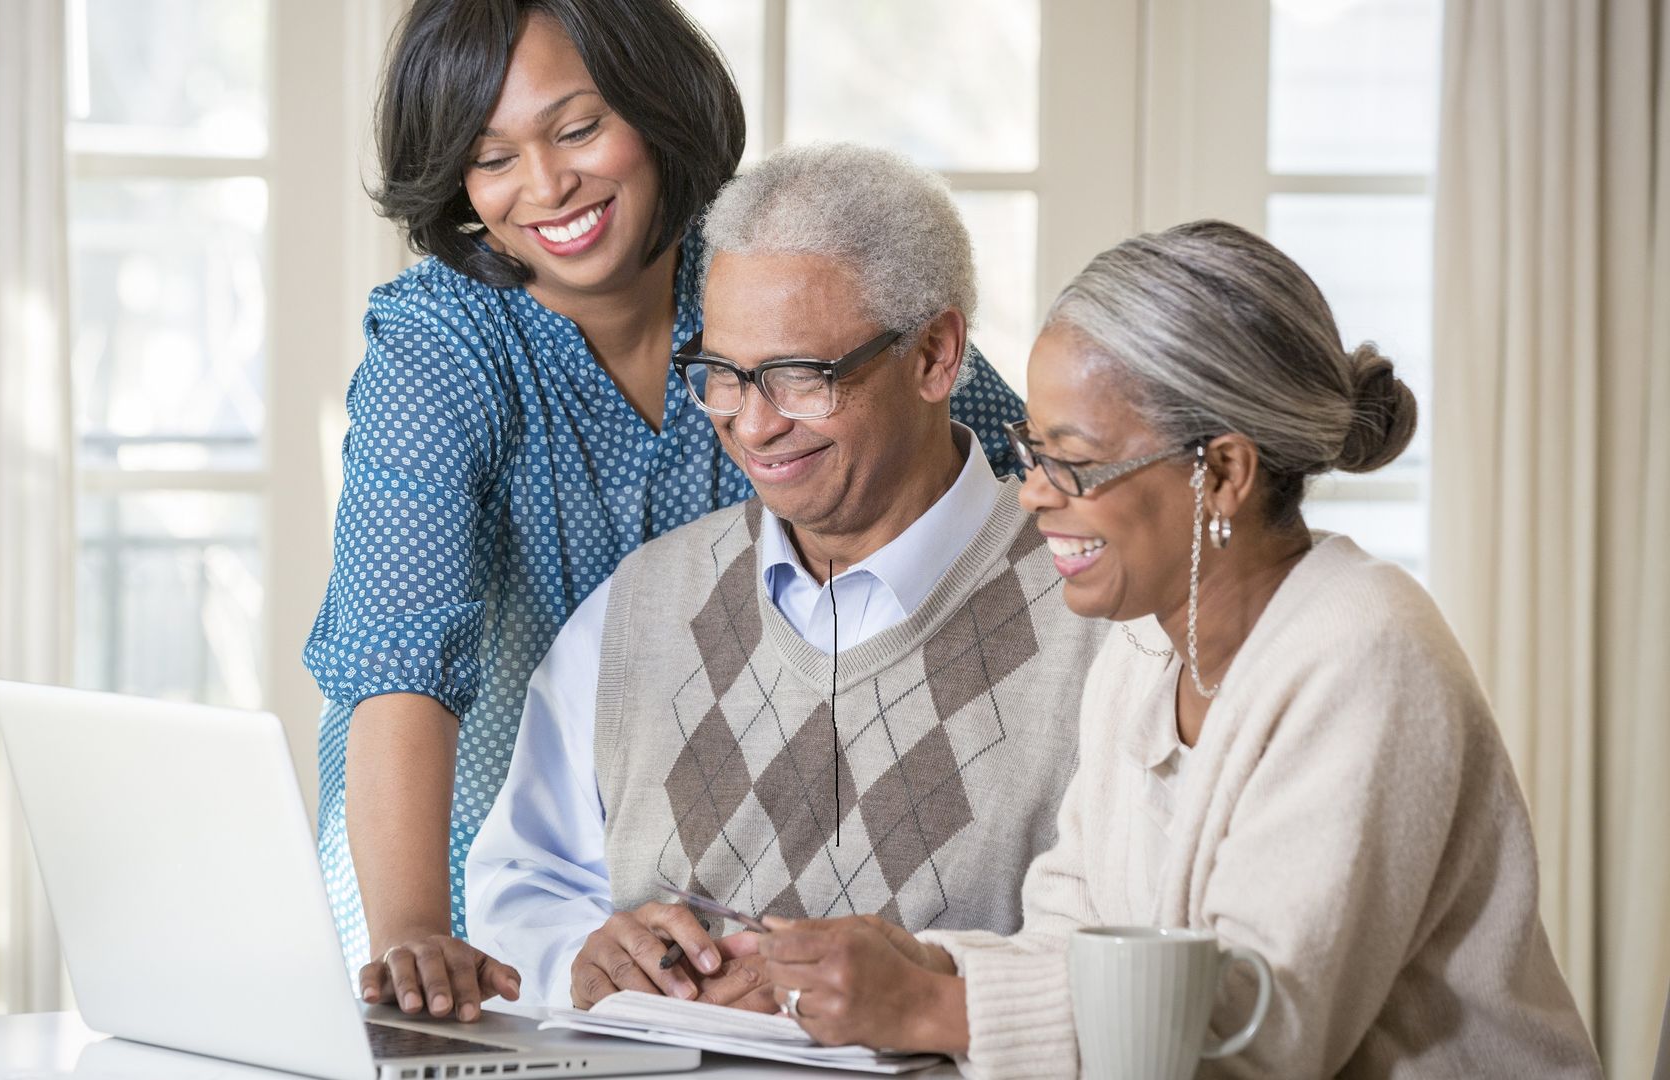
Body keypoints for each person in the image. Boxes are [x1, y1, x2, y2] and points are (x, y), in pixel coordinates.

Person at [301, 0, 1029, 1024]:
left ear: (653, 104)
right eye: (490, 156)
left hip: (704, 862)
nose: (546, 187)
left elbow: (994, 443)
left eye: (577, 128)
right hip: (476, 868)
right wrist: (419, 929)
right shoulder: (445, 344)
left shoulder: (753, 278)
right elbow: (398, 655)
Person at [739, 221, 1602, 1077]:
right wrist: (926, 963)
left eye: (1072, 463)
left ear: (1222, 472)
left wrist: (931, 1007)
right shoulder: (1146, 648)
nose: (1034, 494)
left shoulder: (1368, 652)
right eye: (1032, 450)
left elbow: (1258, 1039)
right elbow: (1069, 932)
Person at [462, 143, 1105, 1008]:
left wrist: (883, 991)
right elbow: (523, 881)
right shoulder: (641, 602)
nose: (752, 426)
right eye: (723, 376)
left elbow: (1131, 966)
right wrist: (581, 957)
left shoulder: (1099, 622)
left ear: (935, 355)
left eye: (801, 375)